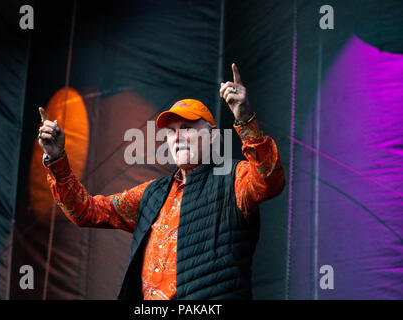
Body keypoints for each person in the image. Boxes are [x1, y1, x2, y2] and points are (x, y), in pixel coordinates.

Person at [38, 63, 285, 300]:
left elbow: (269, 179)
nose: (177, 137)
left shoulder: (234, 178)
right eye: (170, 131)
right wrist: (57, 158)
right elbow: (84, 211)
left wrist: (244, 117)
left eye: (187, 128)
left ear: (211, 137)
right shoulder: (152, 195)